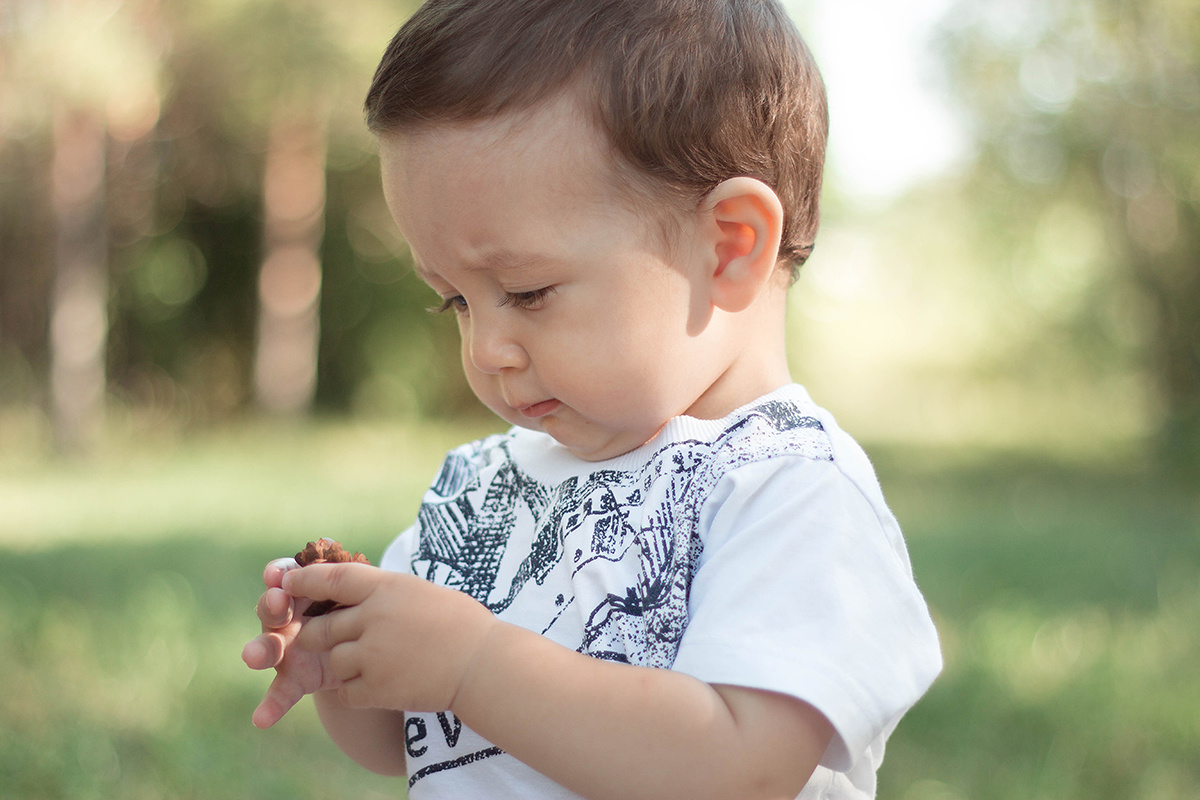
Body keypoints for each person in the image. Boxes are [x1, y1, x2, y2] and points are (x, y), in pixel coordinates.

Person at [241, 1, 942, 798]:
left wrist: (473, 664)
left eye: (527, 291)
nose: (484, 349)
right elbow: (408, 742)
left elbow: (737, 771)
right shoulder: (484, 487)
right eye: (455, 302)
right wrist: (347, 657)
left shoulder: (792, 492)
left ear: (730, 247)